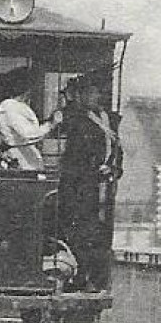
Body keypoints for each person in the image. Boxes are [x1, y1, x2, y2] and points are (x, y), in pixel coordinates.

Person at [56, 73, 122, 291]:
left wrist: (113, 168)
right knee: (83, 231)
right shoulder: (77, 120)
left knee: (99, 232)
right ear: (82, 96)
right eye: (90, 93)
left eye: (97, 92)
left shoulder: (106, 119)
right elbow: (74, 158)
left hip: (102, 186)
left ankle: (95, 278)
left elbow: (117, 150)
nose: (96, 97)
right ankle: (81, 277)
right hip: (81, 187)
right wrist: (94, 171)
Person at [0, 68, 58, 171]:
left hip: (26, 156)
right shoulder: (10, 107)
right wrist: (51, 125)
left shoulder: (17, 107)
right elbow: (28, 134)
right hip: (21, 159)